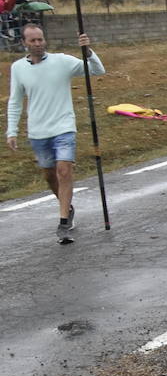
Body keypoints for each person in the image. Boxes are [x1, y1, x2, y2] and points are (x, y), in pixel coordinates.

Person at [6, 25, 105, 243]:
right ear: (24, 43)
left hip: (64, 127)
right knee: (50, 175)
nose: (38, 44)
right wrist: (11, 131)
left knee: (64, 170)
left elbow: (97, 70)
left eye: (41, 39)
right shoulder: (18, 68)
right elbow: (15, 102)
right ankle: (67, 207)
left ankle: (63, 223)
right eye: (33, 41)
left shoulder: (62, 61)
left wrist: (87, 51)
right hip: (38, 131)